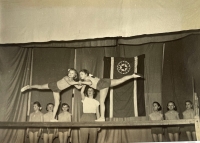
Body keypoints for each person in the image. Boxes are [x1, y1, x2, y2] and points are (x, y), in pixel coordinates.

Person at [73, 69, 142, 121]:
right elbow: (80, 86)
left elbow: (89, 83)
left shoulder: (87, 78)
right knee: (120, 80)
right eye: (80, 74)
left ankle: (102, 117)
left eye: (82, 74)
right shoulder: (90, 75)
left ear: (86, 74)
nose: (80, 76)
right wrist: (77, 83)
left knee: (102, 101)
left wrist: (79, 82)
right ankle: (133, 76)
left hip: (101, 85)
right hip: (105, 81)